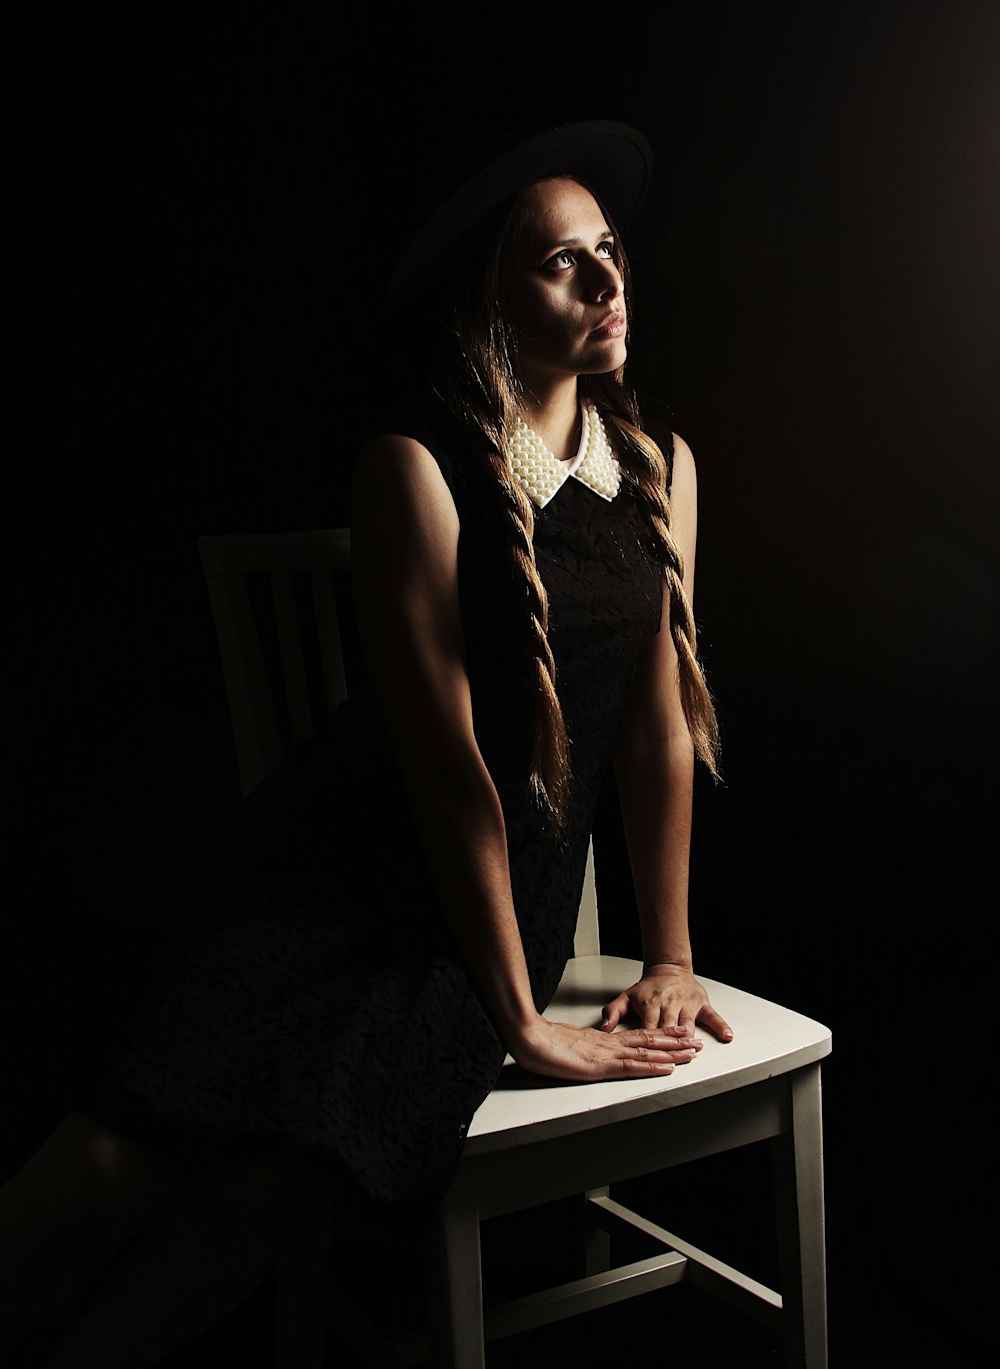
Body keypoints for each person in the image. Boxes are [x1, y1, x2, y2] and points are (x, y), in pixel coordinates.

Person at [0, 119, 732, 1364]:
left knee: (282, 1175)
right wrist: (523, 1021)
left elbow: (658, 730)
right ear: (488, 300)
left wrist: (666, 951)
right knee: (131, 1136)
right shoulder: (414, 463)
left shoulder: (661, 469)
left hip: (471, 927)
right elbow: (447, 772)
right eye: (564, 263)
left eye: (610, 251)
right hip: (341, 878)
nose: (609, 282)